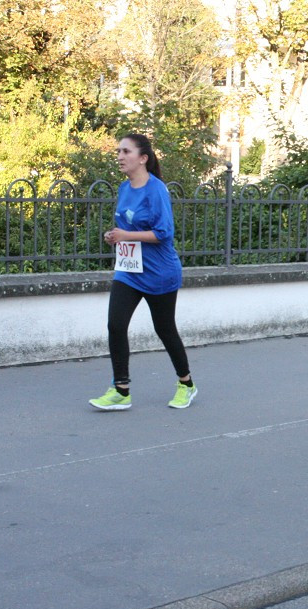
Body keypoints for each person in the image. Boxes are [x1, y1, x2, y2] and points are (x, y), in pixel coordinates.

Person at [89, 133, 196, 411]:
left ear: (143, 158)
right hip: (129, 271)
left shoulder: (157, 189)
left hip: (160, 272)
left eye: (126, 151)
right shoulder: (125, 188)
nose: (120, 156)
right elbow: (126, 226)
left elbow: (164, 233)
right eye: (118, 151)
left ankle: (186, 383)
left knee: (164, 329)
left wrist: (127, 234)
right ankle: (120, 390)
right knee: (116, 325)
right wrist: (114, 236)